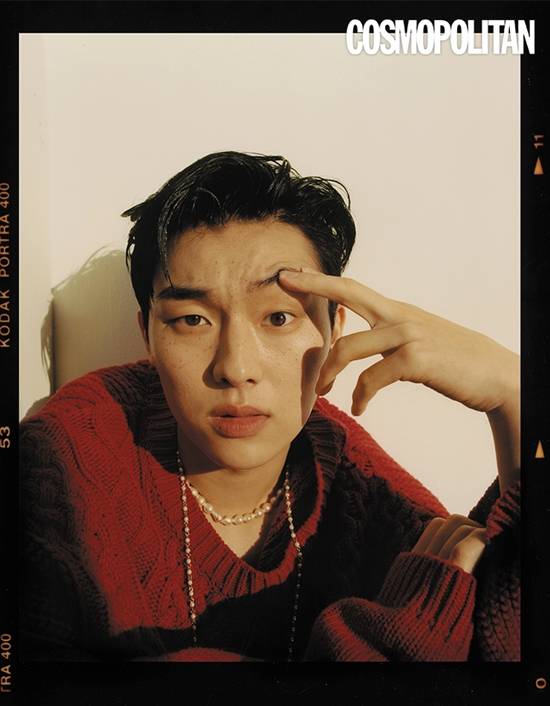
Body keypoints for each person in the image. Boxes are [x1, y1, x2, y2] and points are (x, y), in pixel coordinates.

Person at [20, 151, 520, 662]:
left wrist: (516, 396)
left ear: (334, 330)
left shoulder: (360, 491)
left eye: (279, 318)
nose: (235, 368)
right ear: (147, 333)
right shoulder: (66, 460)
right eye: (192, 320)